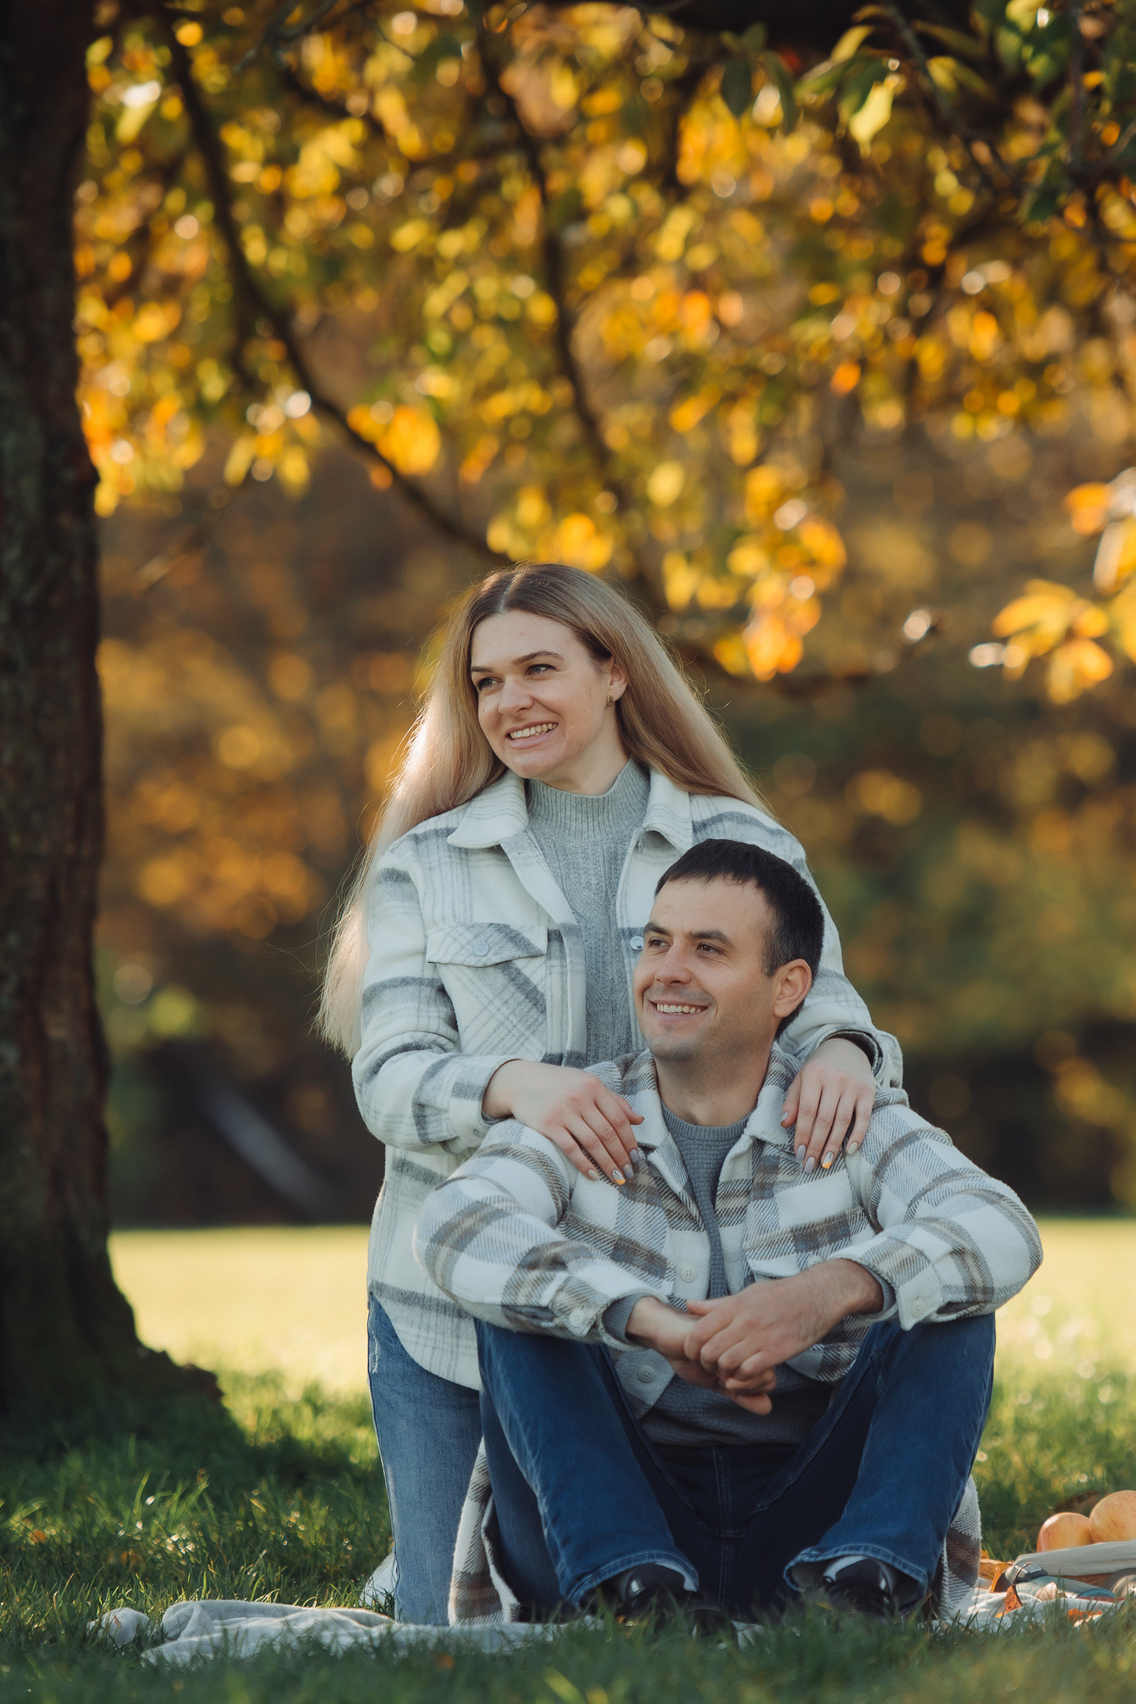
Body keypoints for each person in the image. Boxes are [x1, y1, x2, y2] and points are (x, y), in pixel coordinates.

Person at [320, 565, 903, 1624]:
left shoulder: (746, 841)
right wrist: (511, 1084)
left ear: (615, 671)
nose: (510, 703)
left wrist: (849, 1052)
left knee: (711, 1602)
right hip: (467, 1308)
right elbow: (390, 1077)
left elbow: (826, 1005)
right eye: (487, 681)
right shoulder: (429, 865)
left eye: (539, 669)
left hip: (694, 1290)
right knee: (445, 1622)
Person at [415, 839, 1041, 1624]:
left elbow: (1003, 1227)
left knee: (947, 1291)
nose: (668, 970)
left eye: (708, 950)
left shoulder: (850, 1114)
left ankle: (864, 1586)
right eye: (656, 943)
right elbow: (453, 1226)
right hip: (612, 1516)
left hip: (812, 1525)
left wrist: (829, 1292)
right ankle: (633, 1596)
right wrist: (650, 1322)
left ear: (789, 988)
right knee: (526, 1302)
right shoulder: (581, 1113)